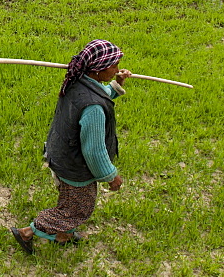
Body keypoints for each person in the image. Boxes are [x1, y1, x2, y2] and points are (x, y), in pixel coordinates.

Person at [11, 39, 133, 255]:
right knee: (75, 210)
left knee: (68, 201)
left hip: (60, 154)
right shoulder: (94, 108)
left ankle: (63, 235)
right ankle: (27, 232)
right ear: (97, 70)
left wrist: (116, 85)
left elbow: (94, 95)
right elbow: (94, 152)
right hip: (75, 168)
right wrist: (111, 176)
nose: (116, 70)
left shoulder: (77, 82)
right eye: (113, 66)